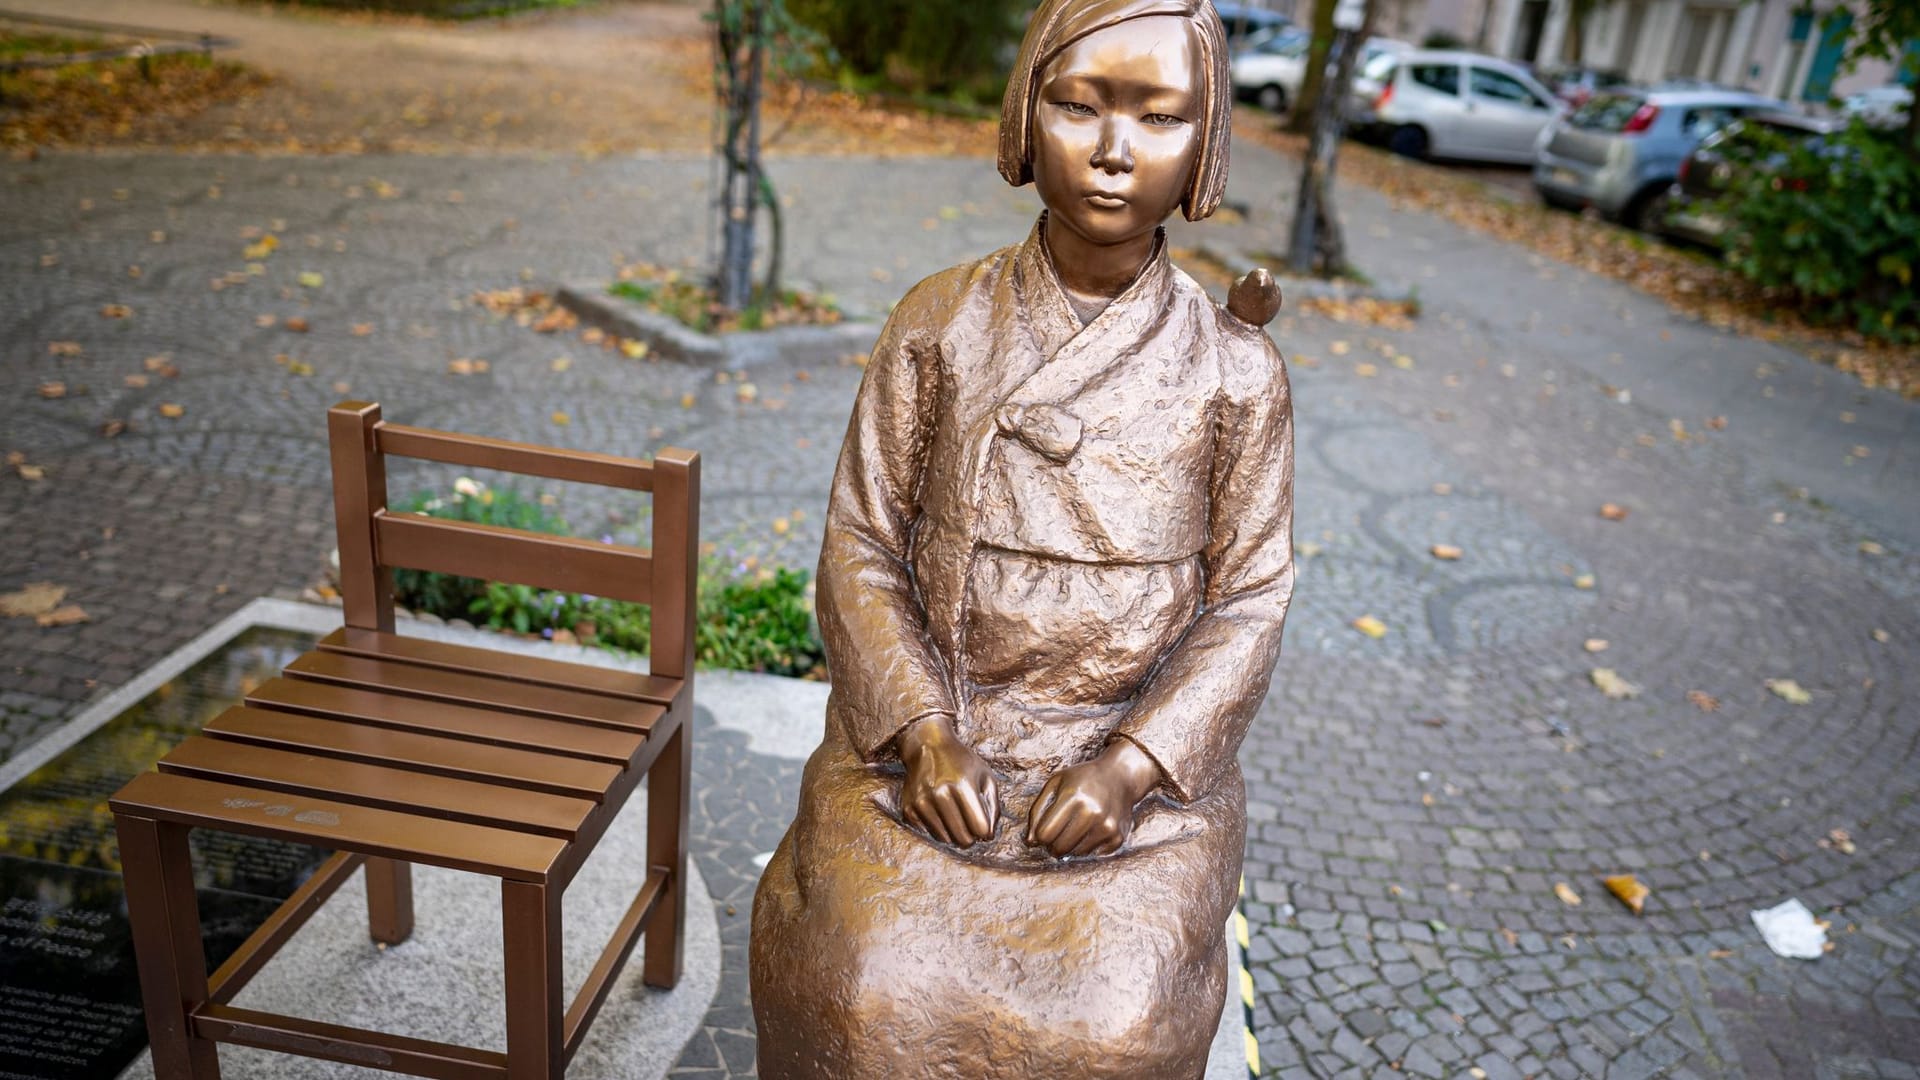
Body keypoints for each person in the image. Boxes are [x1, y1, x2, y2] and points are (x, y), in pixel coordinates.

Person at [750, 1, 1295, 1075]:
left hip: (1129, 787)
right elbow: (861, 541)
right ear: (1022, 117)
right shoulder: (938, 319)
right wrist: (922, 731)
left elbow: (1250, 597)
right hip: (935, 742)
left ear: (1206, 145)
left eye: (1159, 118)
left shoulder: (1237, 370)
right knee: (863, 987)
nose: (1110, 151)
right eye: (1077, 105)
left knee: (1117, 1024)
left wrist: (1134, 769)